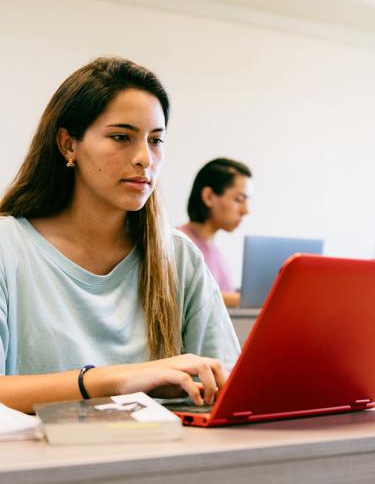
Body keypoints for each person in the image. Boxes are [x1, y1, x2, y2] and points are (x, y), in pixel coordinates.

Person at [0, 57, 240, 414]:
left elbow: (227, 384)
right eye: (120, 137)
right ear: (68, 145)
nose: (145, 158)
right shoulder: (8, 247)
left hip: (164, 462)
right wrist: (119, 380)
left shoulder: (179, 257)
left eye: (156, 140)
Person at [179, 158, 252, 308]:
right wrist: (246, 300)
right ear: (208, 197)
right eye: (239, 199)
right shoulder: (178, 244)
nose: (245, 211)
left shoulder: (219, 255)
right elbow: (185, 298)